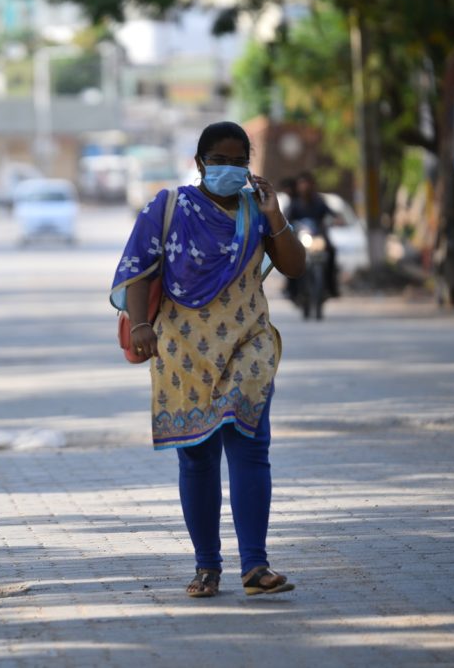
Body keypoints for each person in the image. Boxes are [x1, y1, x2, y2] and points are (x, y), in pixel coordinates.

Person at [111, 121, 305, 598]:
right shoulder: (169, 207)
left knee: (249, 445)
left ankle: (255, 567)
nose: (228, 168)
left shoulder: (255, 211)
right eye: (217, 160)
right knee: (197, 458)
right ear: (199, 164)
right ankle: (207, 568)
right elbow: (140, 268)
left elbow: (295, 265)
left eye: (238, 160)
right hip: (183, 348)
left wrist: (274, 214)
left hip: (247, 344)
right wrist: (139, 327)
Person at [286, 171, 339, 297]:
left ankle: (331, 288)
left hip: (318, 237)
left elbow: (331, 214)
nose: (304, 187)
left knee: (331, 251)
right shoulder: (295, 203)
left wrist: (336, 219)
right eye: (302, 184)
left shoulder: (319, 201)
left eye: (307, 183)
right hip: (300, 239)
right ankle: (292, 291)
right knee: (289, 258)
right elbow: (286, 218)